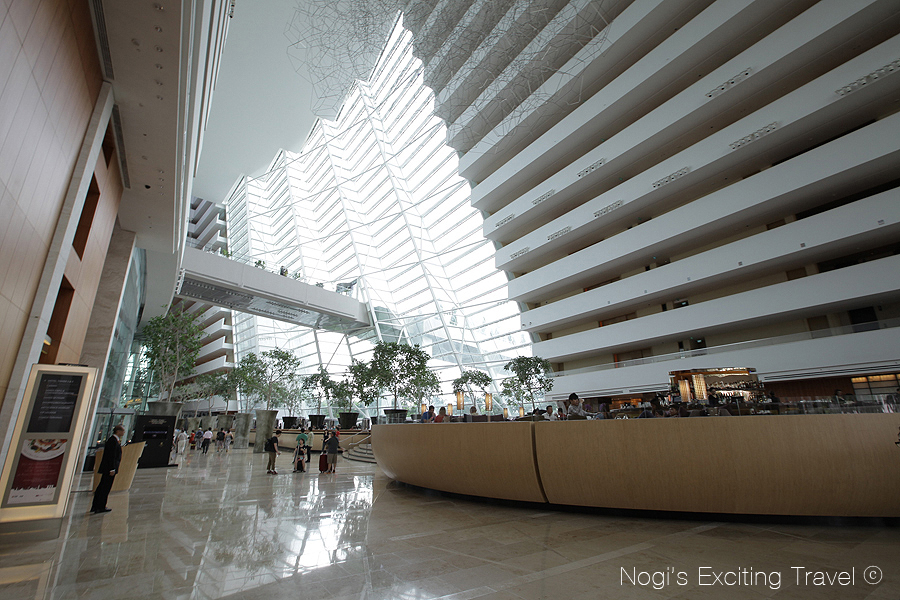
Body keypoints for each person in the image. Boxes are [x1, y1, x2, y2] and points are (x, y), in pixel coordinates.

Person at [91, 425, 124, 514]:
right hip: (109, 469)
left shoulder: (114, 440)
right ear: (118, 431)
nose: (124, 433)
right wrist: (112, 468)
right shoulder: (112, 441)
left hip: (109, 468)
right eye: (122, 431)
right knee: (105, 488)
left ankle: (96, 506)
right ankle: (100, 506)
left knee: (103, 487)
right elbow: (111, 456)